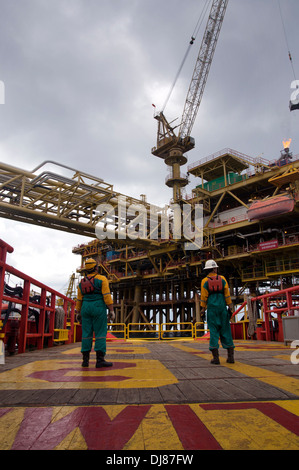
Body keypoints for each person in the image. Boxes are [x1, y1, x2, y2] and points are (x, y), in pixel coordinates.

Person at [75, 258, 115, 368]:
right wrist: (111, 310)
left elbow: (79, 299)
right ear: (96, 268)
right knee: (100, 333)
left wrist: (78, 312)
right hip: (98, 307)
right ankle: (100, 360)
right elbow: (106, 295)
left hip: (85, 308)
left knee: (86, 334)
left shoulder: (81, 282)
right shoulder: (102, 279)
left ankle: (85, 360)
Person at [200, 259, 235, 364]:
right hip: (222, 308)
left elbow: (203, 297)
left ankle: (216, 358)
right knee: (226, 331)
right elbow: (227, 295)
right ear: (215, 268)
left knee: (214, 332)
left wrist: (202, 309)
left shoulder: (204, 281)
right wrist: (230, 306)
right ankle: (230, 357)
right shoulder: (223, 279)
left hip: (211, 309)